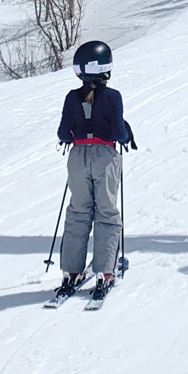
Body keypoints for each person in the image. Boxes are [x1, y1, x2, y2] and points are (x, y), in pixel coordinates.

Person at [54, 40, 137, 301]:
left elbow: (62, 133)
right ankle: (105, 271)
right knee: (107, 212)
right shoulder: (113, 96)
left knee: (78, 212)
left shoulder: (71, 97)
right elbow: (118, 133)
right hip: (105, 156)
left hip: (78, 157)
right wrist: (124, 130)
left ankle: (72, 271)